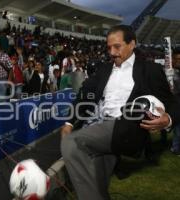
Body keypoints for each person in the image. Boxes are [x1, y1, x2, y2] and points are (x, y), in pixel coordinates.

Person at [60, 25, 180, 200]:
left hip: (128, 126)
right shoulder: (103, 70)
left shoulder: (150, 69)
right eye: (109, 48)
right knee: (96, 181)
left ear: (132, 44)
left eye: (117, 46)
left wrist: (167, 119)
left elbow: (172, 101)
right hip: (102, 128)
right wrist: (69, 123)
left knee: (71, 142)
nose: (112, 52)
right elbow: (84, 95)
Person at [170, 49, 180, 155]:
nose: (178, 61)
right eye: (176, 59)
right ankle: (175, 148)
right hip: (173, 103)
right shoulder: (169, 72)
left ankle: (176, 147)